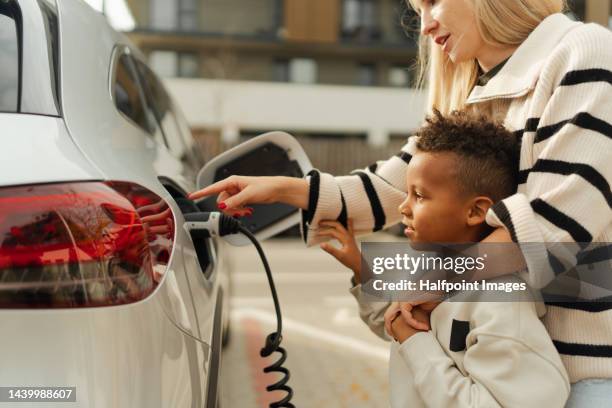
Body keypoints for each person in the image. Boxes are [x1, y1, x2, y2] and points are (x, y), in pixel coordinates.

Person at [189, 0, 612, 402]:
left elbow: (555, 233)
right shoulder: (475, 96)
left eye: (433, 3)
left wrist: (420, 282)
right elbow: (389, 191)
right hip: (485, 370)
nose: (425, 26)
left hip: (586, 376)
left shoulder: (583, 52)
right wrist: (286, 189)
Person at [316, 110, 569, 407]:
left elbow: (408, 332)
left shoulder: (500, 303)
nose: (403, 207)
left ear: (475, 212)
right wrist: (360, 267)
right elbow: (393, 320)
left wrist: (414, 341)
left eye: (419, 195)